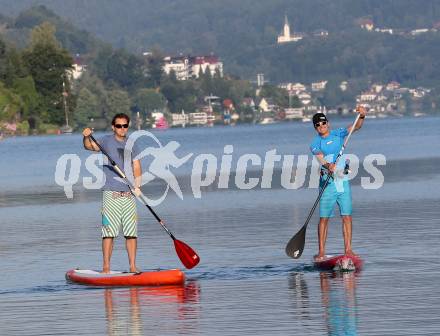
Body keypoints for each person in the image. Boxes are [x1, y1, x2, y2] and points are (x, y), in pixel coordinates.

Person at [82, 113, 142, 273]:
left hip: (129, 194)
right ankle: (106, 267)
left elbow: (136, 165)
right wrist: (87, 137)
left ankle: (133, 266)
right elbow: (89, 146)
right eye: (118, 126)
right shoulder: (106, 141)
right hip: (111, 194)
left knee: (131, 233)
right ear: (113, 127)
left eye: (125, 126)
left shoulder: (132, 143)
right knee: (109, 233)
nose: (122, 129)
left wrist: (138, 186)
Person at [309, 106, 366, 261]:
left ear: (328, 123)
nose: (321, 127)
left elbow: (356, 127)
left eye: (323, 123)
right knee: (324, 218)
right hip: (327, 185)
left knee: (347, 216)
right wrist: (328, 165)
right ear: (315, 128)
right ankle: (321, 252)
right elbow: (320, 159)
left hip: (343, 183)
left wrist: (361, 116)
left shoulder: (339, 134)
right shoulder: (315, 143)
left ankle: (348, 250)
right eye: (318, 125)